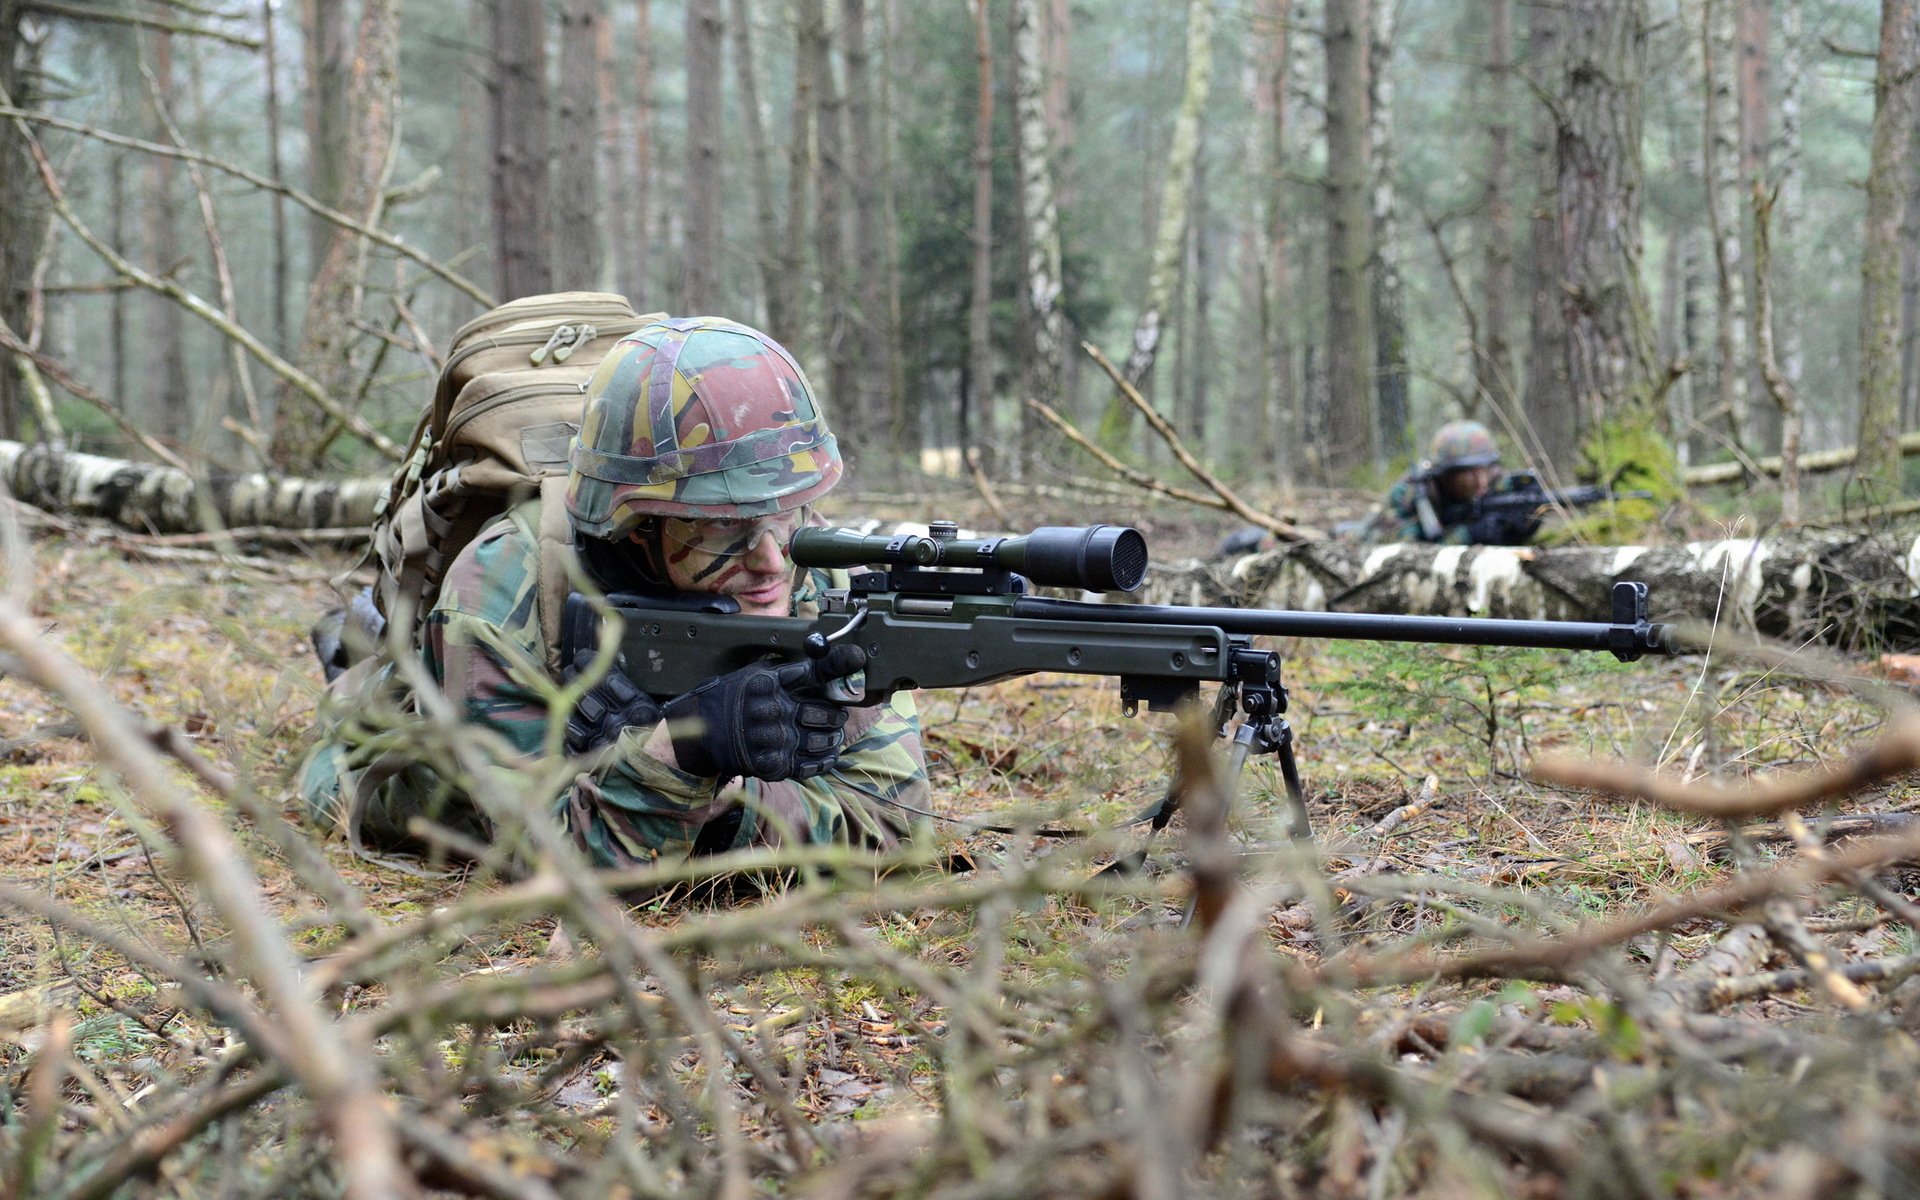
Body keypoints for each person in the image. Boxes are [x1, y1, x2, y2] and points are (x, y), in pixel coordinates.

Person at [301, 316, 929, 868]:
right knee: (352, 751)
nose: (771, 561)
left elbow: (895, 819)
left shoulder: (815, 565)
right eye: (719, 527)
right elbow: (543, 858)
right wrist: (684, 749)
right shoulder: (504, 586)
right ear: (635, 524)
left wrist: (724, 801)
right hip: (430, 769)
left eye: (787, 513)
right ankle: (357, 652)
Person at [1354, 420, 1534, 546]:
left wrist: (1526, 522)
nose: (1482, 482)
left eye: (1485, 470)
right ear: (1446, 474)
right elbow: (1402, 550)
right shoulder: (1410, 494)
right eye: (1470, 475)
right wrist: (1468, 535)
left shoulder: (1494, 480)